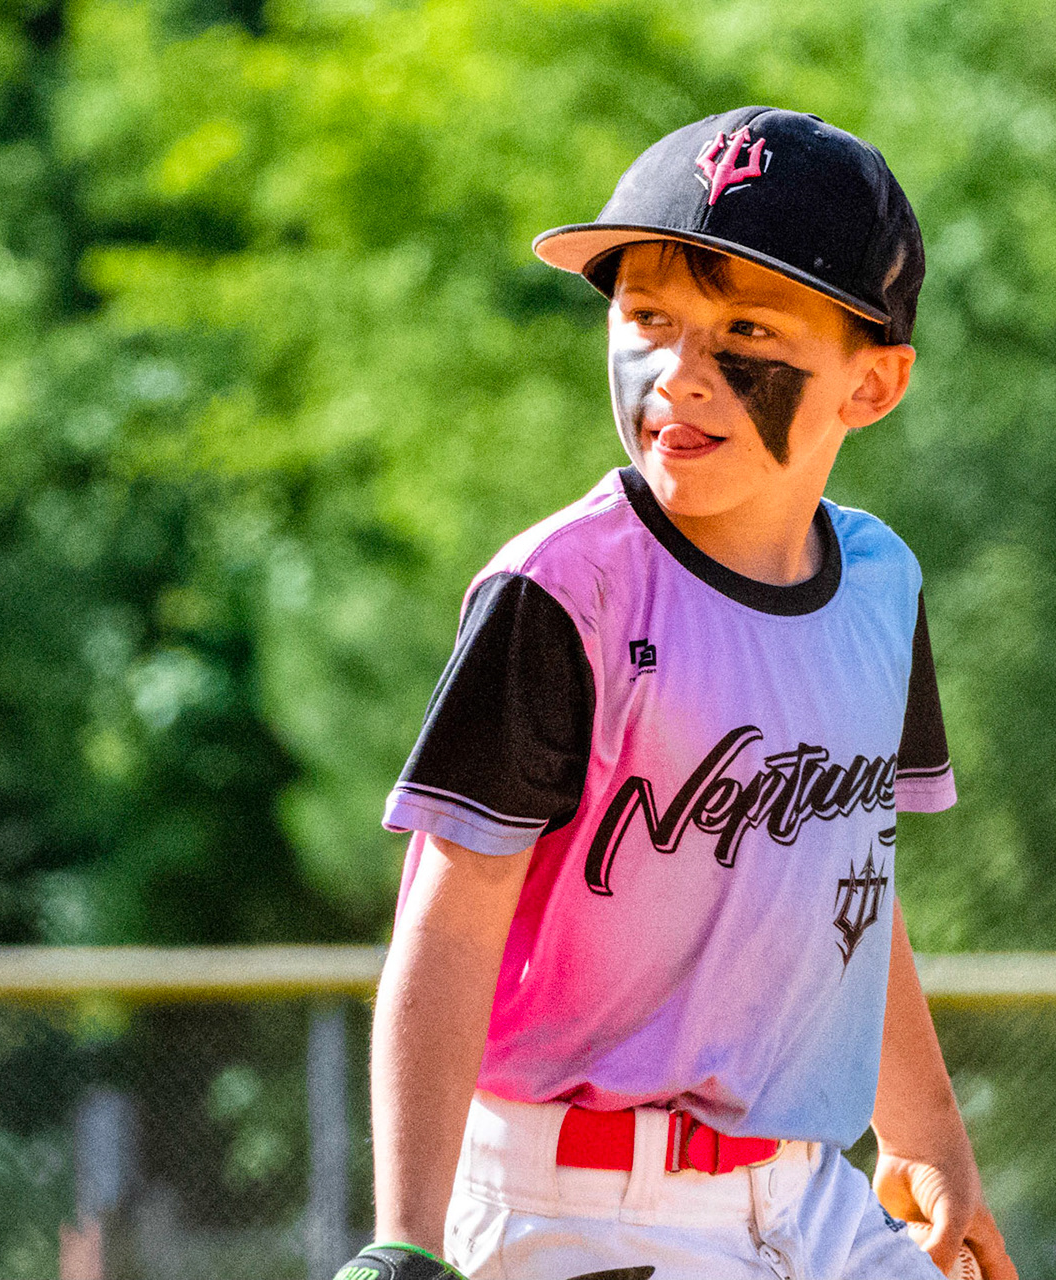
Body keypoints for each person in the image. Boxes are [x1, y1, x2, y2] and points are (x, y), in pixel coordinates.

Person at [334, 107, 1019, 1280]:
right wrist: (403, 1238)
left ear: (875, 383)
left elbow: (845, 877)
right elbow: (446, 925)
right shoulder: (563, 594)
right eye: (649, 316)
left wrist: (927, 1129)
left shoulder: (882, 587)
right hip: (582, 1207)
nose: (680, 372)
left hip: (811, 1195)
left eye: (747, 326)